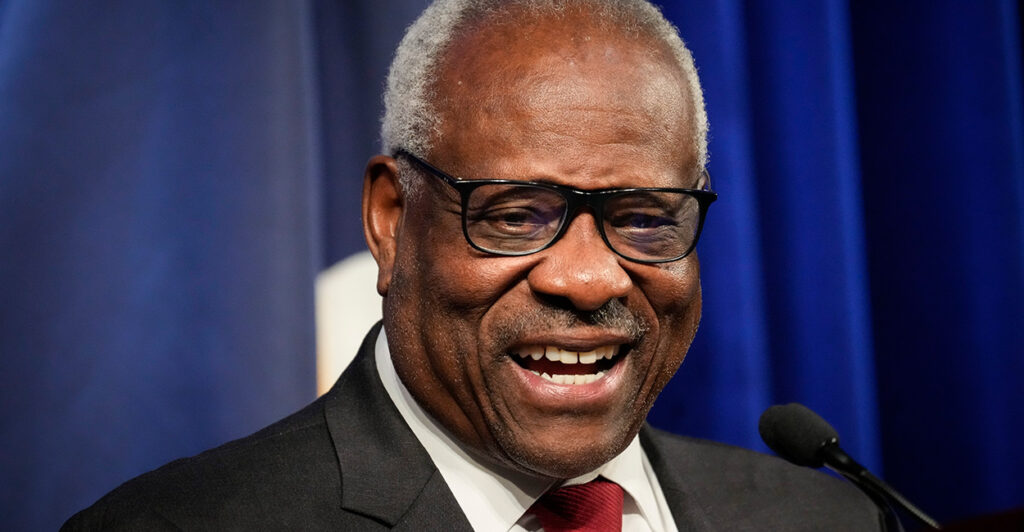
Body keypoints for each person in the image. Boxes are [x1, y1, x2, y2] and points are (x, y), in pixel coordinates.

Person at [63, 0, 883, 530]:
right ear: (391, 221)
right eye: (518, 214)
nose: (590, 278)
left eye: (640, 218)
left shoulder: (824, 520)